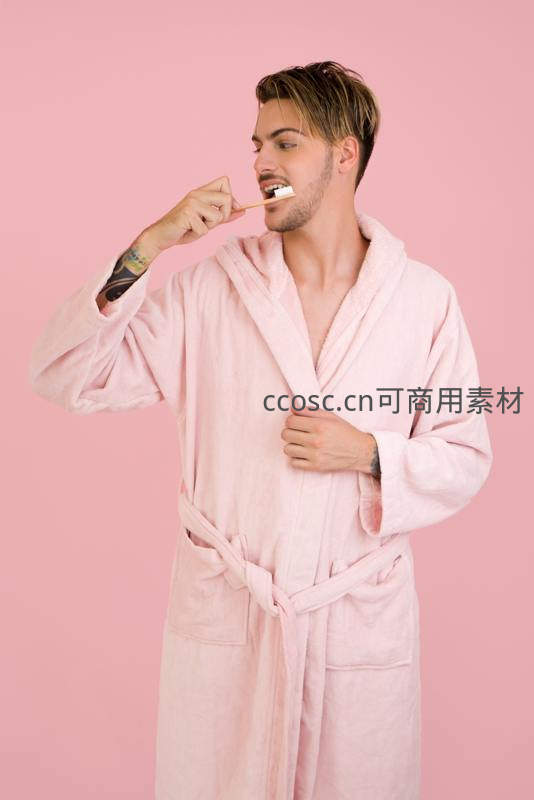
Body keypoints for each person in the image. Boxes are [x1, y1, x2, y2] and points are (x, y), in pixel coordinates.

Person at [28, 61, 493, 800]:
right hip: (232, 626)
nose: (261, 163)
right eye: (257, 145)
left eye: (286, 143)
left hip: (352, 631)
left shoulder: (422, 301)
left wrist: (368, 452)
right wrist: (151, 244)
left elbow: (466, 451)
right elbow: (66, 374)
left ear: (345, 154)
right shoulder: (210, 290)